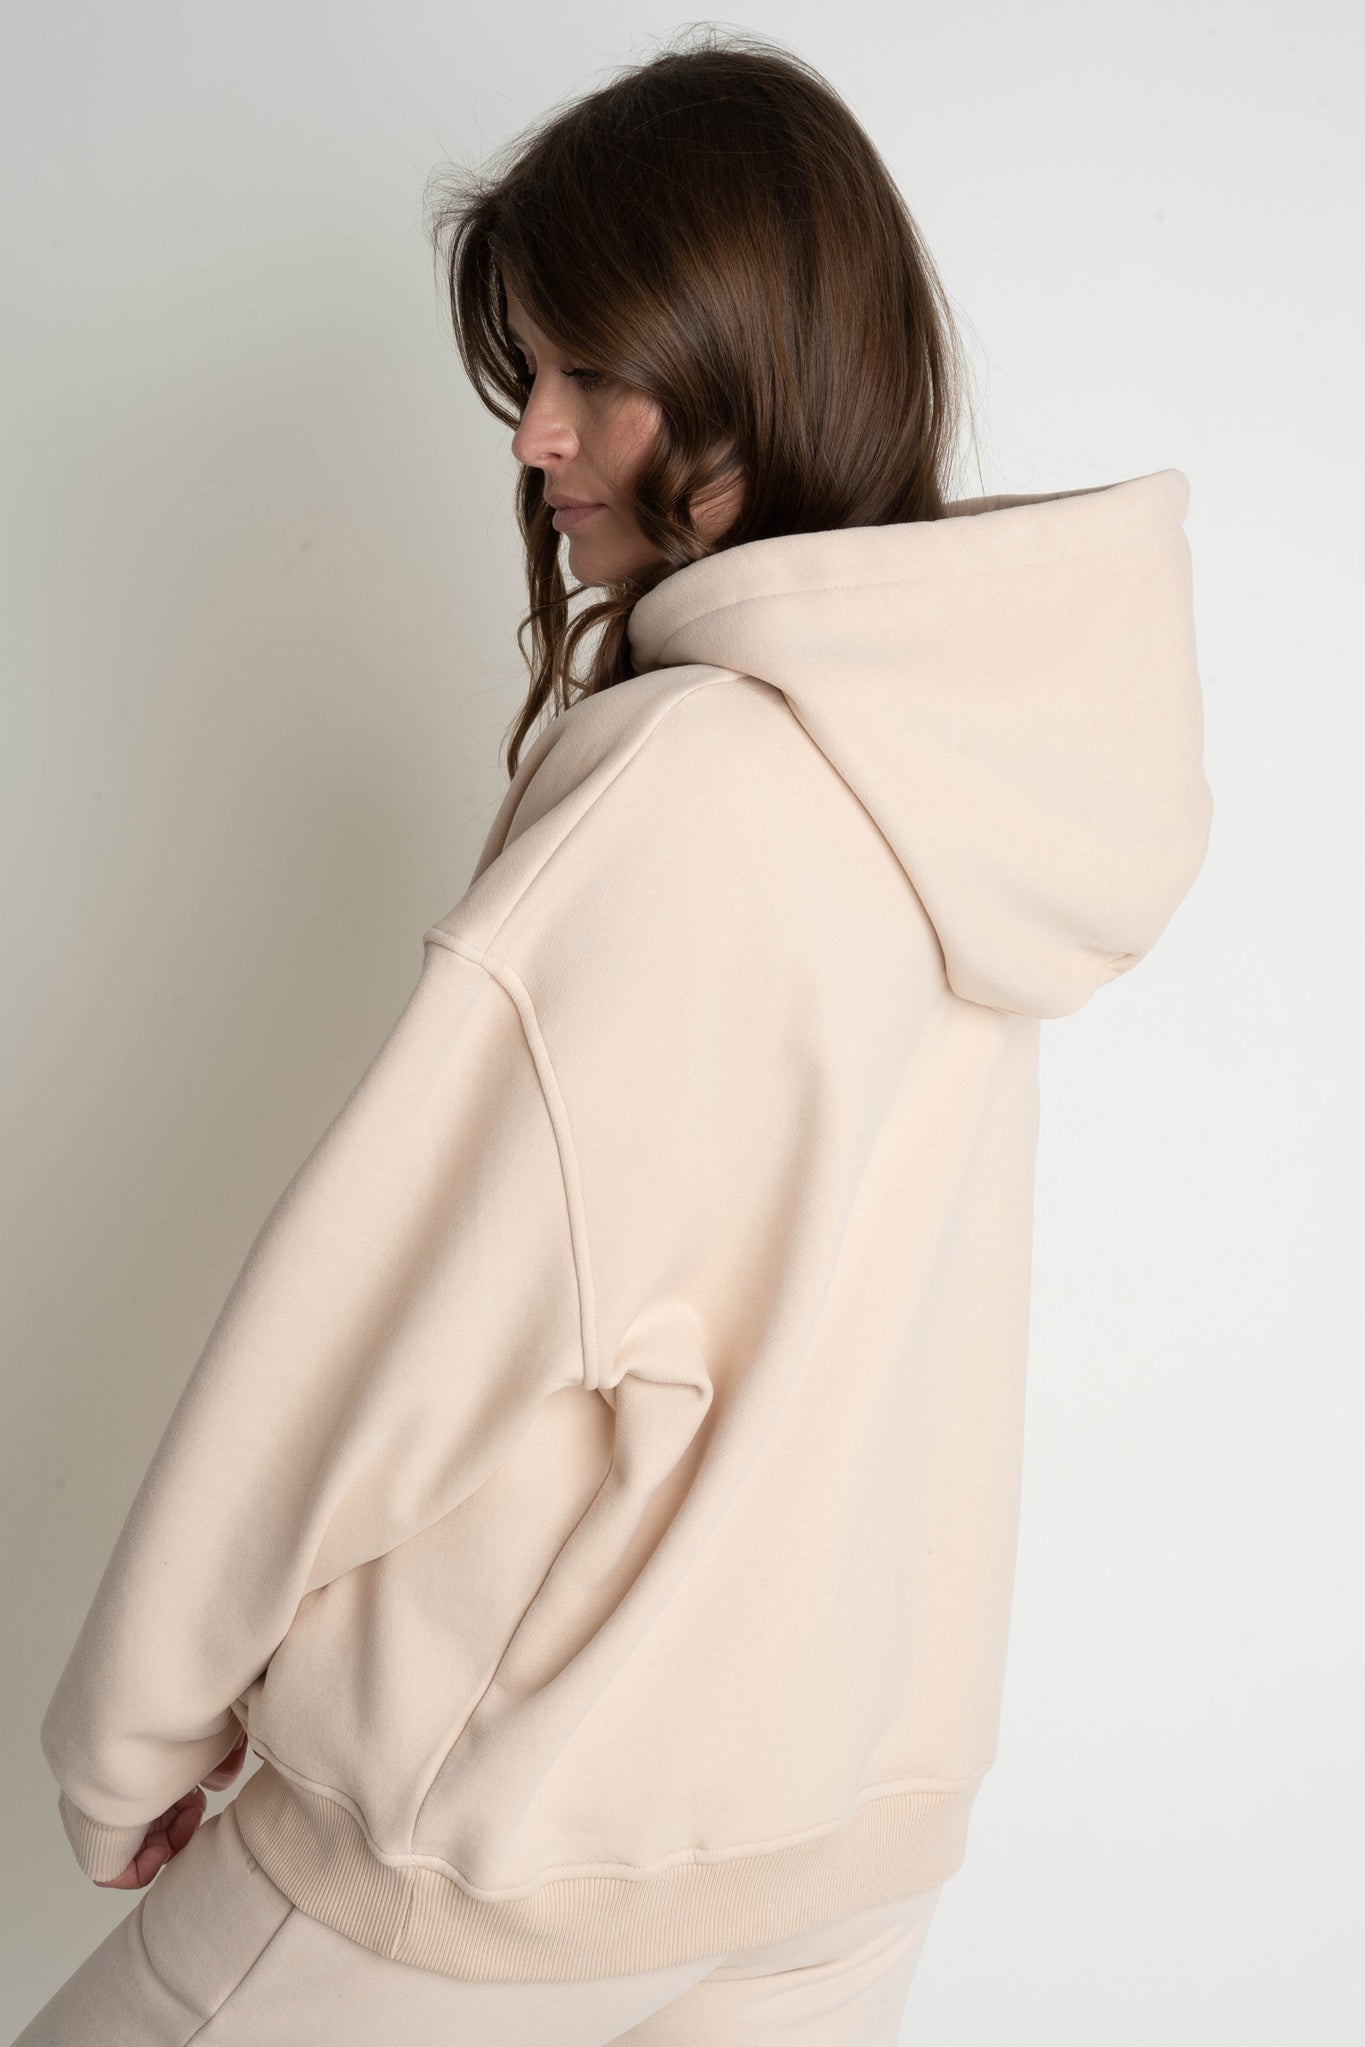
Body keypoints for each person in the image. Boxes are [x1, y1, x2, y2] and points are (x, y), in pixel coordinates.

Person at [14, 27, 1214, 2046]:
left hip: (504, 1862)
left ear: (748, 364)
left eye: (592, 372)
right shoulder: (964, 775)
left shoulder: (690, 790)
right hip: (837, 1862)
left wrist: (131, 1726)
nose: (535, 438)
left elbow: (376, 1337)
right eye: (527, 372)